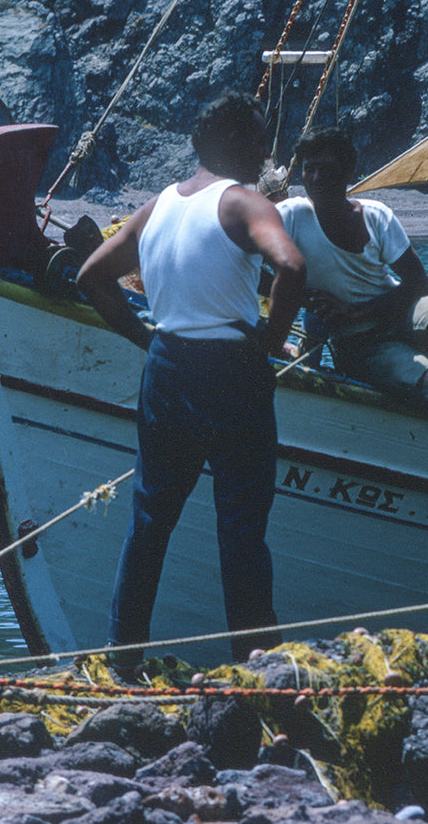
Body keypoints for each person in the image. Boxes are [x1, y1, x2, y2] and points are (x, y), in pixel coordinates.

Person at [76, 89, 306, 669]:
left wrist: (144, 337)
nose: (264, 151)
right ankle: (257, 669)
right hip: (230, 374)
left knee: (150, 521)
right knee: (241, 532)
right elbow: (292, 266)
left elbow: (91, 276)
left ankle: (122, 661)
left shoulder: (158, 206)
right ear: (231, 142)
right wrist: (271, 343)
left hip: (168, 370)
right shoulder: (243, 203)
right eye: (257, 138)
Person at [280, 127, 428, 417]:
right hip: (360, 343)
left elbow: (418, 283)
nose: (316, 179)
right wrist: (306, 300)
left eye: (327, 169)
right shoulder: (292, 215)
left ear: (348, 172)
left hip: (396, 315)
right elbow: (246, 265)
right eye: (310, 169)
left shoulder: (376, 215)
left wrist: (355, 311)